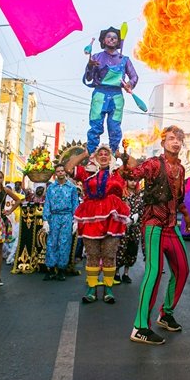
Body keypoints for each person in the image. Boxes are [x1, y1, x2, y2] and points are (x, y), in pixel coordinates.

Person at [121, 126, 190, 345]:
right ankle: (140, 327)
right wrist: (125, 158)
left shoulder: (180, 169)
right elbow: (131, 174)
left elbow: (178, 199)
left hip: (172, 227)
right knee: (154, 273)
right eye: (171, 138)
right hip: (153, 225)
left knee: (182, 270)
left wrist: (186, 216)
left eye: (179, 139)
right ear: (163, 143)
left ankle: (166, 313)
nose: (176, 142)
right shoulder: (154, 164)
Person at [65, 144, 129, 304]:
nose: (103, 156)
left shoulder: (118, 172)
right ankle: (92, 288)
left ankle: (108, 289)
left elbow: (134, 166)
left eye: (106, 154)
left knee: (109, 254)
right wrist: (85, 153)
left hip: (112, 218)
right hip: (91, 217)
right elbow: (68, 167)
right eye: (99, 154)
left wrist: (120, 155)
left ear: (110, 157)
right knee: (92, 255)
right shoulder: (87, 173)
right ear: (95, 157)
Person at [84, 27, 139, 155]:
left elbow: (134, 76)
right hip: (100, 94)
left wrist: (129, 84)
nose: (112, 38)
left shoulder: (124, 59)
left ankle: (113, 155)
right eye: (109, 36)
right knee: (95, 125)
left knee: (114, 127)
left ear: (118, 41)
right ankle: (92, 155)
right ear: (104, 40)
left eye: (115, 37)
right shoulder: (96, 57)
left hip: (116, 96)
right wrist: (90, 66)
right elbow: (88, 77)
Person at [42, 164, 80, 281]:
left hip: (67, 217)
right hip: (54, 217)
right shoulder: (51, 188)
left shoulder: (72, 188)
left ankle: (62, 269)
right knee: (52, 242)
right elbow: (47, 203)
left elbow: (75, 204)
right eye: (58, 171)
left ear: (65, 173)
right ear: (55, 174)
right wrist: (45, 220)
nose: (61, 173)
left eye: (62, 171)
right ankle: (51, 268)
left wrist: (76, 220)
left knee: (64, 242)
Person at [116, 177, 144, 283]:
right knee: (120, 249)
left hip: (135, 227)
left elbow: (143, 209)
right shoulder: (122, 195)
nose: (133, 182)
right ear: (126, 181)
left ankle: (126, 273)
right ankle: (117, 272)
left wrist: (137, 216)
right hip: (122, 226)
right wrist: (124, 217)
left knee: (131, 250)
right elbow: (117, 208)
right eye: (131, 180)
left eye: (135, 180)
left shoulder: (139, 195)